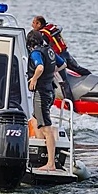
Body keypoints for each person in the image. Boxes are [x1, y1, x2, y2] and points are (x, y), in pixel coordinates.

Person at [26, 29, 67, 171]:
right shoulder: (49, 50)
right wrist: (51, 72)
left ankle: (51, 163)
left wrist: (34, 79)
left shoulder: (36, 52)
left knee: (46, 127)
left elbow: (40, 67)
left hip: (42, 93)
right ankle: (38, 154)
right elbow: (63, 65)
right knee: (36, 120)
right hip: (50, 90)